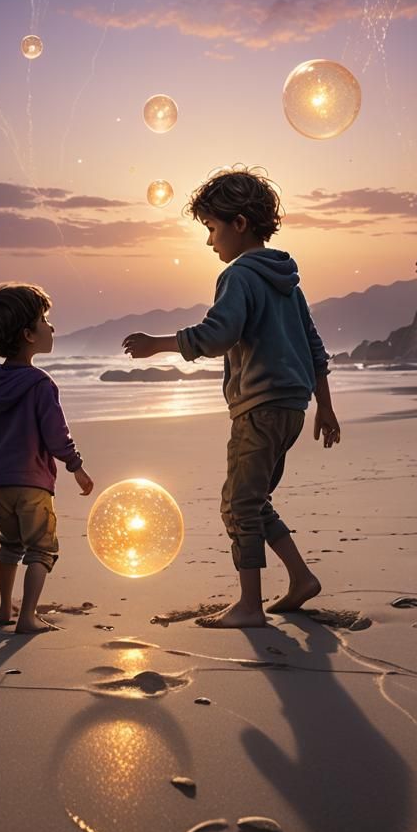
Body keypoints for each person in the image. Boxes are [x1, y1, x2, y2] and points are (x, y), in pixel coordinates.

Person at [122, 168, 340, 628]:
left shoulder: (238, 276)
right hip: (293, 409)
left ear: (239, 224)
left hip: (258, 409)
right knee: (255, 499)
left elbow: (219, 335)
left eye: (212, 229)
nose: (209, 242)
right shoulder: (288, 280)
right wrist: (326, 407)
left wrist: (156, 345)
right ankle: (300, 579)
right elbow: (314, 347)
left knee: (238, 504)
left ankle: (249, 606)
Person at [0, 282, 94, 633]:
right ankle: (28, 616)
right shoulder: (40, 384)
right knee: (42, 550)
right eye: (45, 320)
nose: (52, 327)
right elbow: (57, 435)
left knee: (9, 545)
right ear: (28, 335)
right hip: (33, 484)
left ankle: (5, 610)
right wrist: (76, 467)